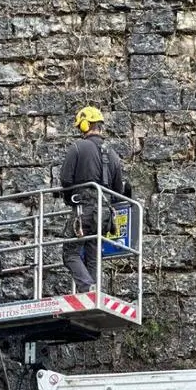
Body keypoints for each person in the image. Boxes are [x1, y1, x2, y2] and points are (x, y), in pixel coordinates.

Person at [59, 106, 127, 292]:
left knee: (70, 253)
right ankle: (94, 290)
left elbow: (65, 179)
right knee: (93, 252)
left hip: (84, 209)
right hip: (104, 212)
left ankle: (87, 286)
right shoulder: (113, 155)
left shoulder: (78, 147)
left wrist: (69, 199)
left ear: (84, 124)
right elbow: (118, 189)